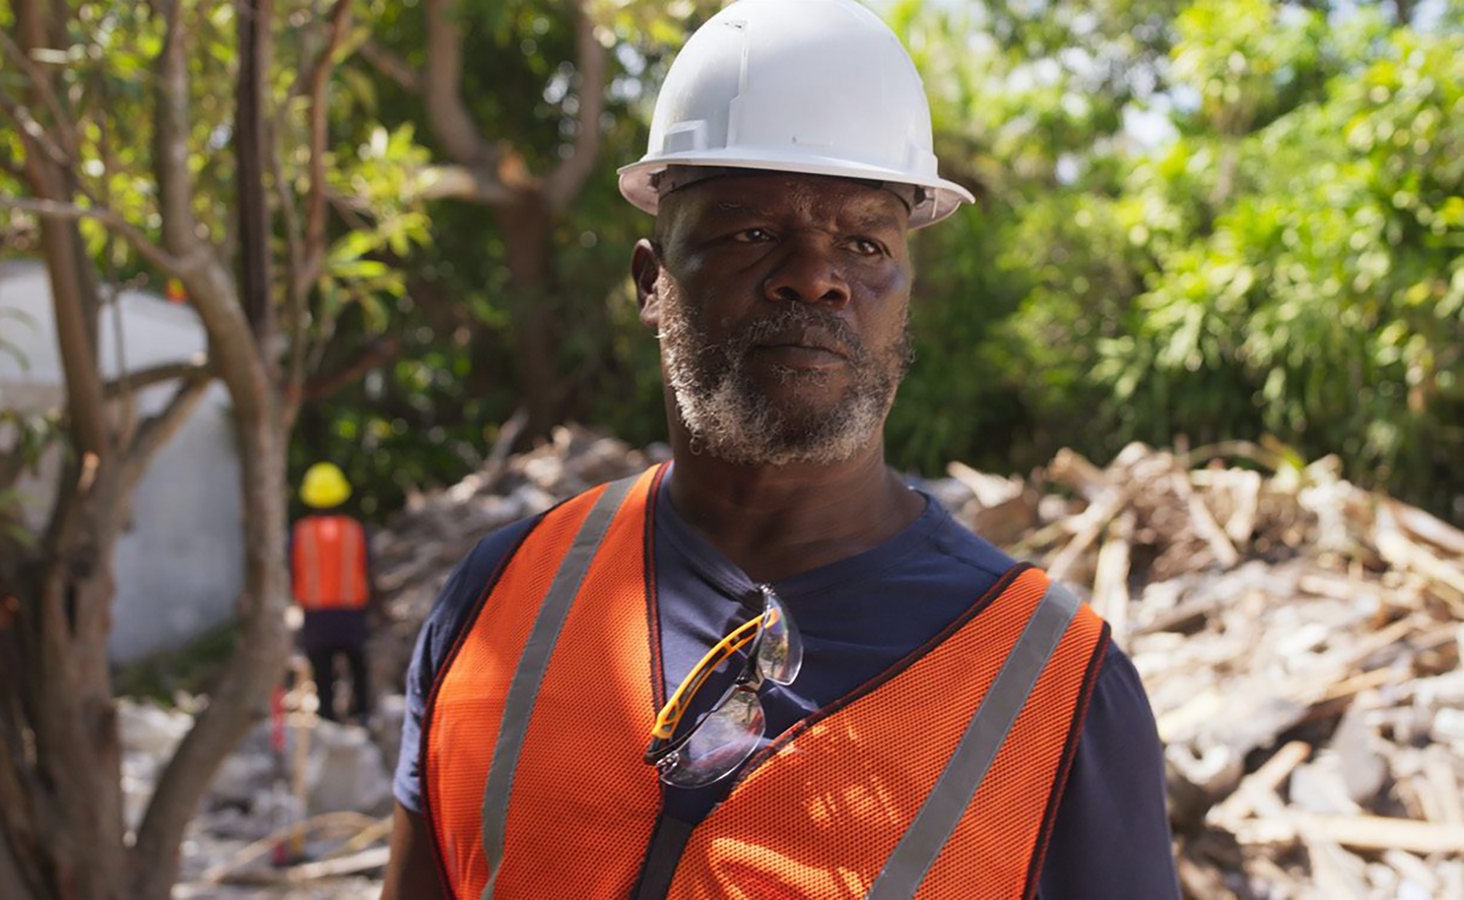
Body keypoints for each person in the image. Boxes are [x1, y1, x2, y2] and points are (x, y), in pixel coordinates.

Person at [382, 1, 1178, 896]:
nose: (815, 275)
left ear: (904, 295)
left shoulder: (1057, 688)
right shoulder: (501, 600)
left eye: (865, 242)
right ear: (652, 283)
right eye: (751, 233)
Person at [291, 462, 374, 724]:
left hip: (316, 613)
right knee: (358, 668)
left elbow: (292, 571)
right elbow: (369, 569)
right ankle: (361, 716)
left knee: (323, 675)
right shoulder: (355, 530)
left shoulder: (300, 532)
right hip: (351, 611)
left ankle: (328, 720)